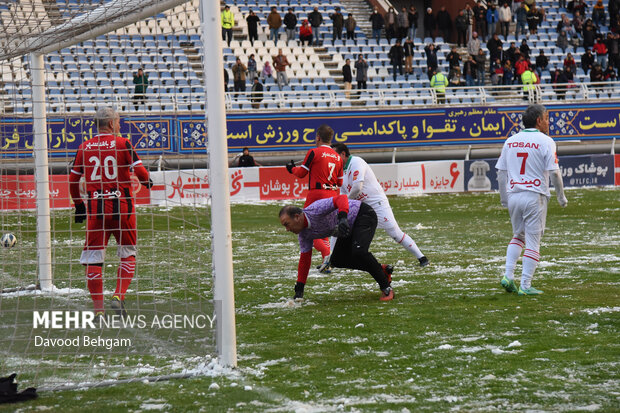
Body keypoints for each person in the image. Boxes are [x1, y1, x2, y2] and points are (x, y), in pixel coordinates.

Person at [69, 106, 152, 317]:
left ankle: (98, 311)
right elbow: (140, 171)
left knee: (93, 258)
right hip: (123, 208)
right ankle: (118, 296)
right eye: (118, 121)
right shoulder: (123, 143)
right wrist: (147, 181)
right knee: (127, 254)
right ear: (111, 124)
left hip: (96, 210)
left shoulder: (84, 147)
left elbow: (72, 180)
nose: (120, 124)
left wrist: (79, 204)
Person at [496, 104, 567, 296]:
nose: (548, 122)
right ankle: (525, 285)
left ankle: (508, 276)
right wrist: (561, 196)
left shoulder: (510, 141)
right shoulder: (546, 141)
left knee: (518, 236)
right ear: (538, 121)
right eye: (546, 118)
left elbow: (501, 174)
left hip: (514, 195)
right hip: (534, 196)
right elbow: (554, 173)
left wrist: (504, 199)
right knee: (533, 241)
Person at [279, 195, 394, 301]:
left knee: (359, 251)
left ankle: (386, 288)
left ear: (297, 217)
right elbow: (304, 260)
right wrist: (299, 289)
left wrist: (343, 218)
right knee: (336, 260)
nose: (287, 229)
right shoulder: (303, 235)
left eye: (286, 224)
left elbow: (341, 198)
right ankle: (381, 269)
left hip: (363, 214)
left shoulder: (315, 209)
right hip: (348, 227)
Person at [331, 143, 428, 268]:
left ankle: (422, 257)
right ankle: (330, 260)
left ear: (343, 154)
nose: (333, 159)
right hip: (359, 206)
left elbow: (357, 188)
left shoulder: (356, 162)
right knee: (339, 227)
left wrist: (344, 203)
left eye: (335, 155)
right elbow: (344, 192)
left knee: (395, 233)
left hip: (376, 203)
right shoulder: (339, 170)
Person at [285, 125, 344, 270]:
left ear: (318, 137)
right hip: (332, 195)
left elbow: (301, 173)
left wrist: (291, 169)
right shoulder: (338, 157)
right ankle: (327, 259)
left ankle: (327, 256)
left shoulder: (314, 152)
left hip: (316, 194)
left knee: (309, 229)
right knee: (326, 228)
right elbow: (340, 182)